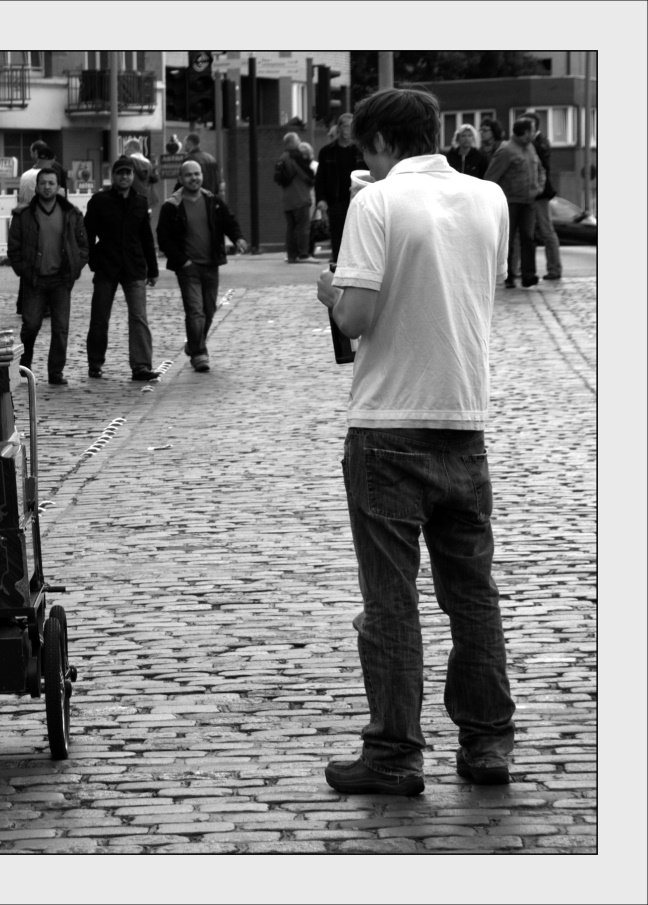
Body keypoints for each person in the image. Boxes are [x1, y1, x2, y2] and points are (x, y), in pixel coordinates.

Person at [316, 87, 515, 796]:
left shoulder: (373, 204)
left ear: (378, 145)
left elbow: (360, 314)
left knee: (392, 599)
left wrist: (330, 293)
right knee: (473, 594)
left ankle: (395, 753)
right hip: (464, 422)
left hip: (388, 425)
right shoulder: (489, 197)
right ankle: (488, 743)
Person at [156, 159, 248, 373]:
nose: (194, 178)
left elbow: (229, 222)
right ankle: (199, 354)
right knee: (195, 312)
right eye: (189, 175)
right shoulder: (172, 206)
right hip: (188, 268)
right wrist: (183, 261)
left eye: (197, 174)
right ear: (181, 179)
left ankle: (193, 344)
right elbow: (164, 238)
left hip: (211, 264)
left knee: (208, 310)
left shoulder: (212, 200)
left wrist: (239, 238)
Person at [84, 156, 162, 381]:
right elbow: (88, 233)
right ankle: (95, 362)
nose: (124, 177)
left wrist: (153, 268)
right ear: (113, 175)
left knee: (139, 317)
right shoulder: (99, 201)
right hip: (106, 266)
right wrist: (91, 260)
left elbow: (146, 237)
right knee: (100, 317)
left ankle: (141, 365)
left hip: (134, 266)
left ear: (133, 176)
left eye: (128, 173)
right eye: (120, 173)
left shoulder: (140, 201)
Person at [8, 167, 89, 384]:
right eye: (43, 183)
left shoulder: (71, 214)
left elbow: (83, 246)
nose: (46, 187)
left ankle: (56, 372)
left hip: (61, 280)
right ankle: (25, 366)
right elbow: (13, 249)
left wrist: (74, 268)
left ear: (58, 187)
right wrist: (24, 270)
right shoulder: (23, 215)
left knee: (60, 328)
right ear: (36, 186)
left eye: (51, 183)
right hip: (34, 279)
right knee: (31, 325)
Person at [485, 118, 545, 288]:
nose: (534, 134)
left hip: (528, 202)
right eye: (532, 130)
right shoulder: (506, 150)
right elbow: (491, 177)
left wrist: (539, 188)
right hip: (510, 202)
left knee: (528, 238)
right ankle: (508, 276)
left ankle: (528, 276)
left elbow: (540, 169)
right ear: (525, 132)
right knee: (508, 240)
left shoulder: (531, 147)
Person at [315, 113, 365, 264]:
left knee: (356, 234)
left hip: (357, 199)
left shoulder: (361, 151)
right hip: (335, 200)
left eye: (351, 127)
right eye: (345, 126)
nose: (348, 130)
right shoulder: (327, 152)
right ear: (339, 128)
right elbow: (320, 178)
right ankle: (337, 264)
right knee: (337, 235)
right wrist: (321, 199)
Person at [518, 111, 562, 281]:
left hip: (540, 193)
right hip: (531, 192)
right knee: (528, 232)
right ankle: (527, 268)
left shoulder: (539, 143)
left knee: (546, 231)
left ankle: (554, 268)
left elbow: (541, 168)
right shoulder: (534, 142)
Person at [274, 132, 316, 263]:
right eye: (297, 141)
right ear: (291, 142)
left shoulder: (282, 158)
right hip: (300, 196)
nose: (299, 143)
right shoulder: (296, 156)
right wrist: (313, 180)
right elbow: (307, 175)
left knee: (291, 228)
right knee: (303, 227)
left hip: (287, 199)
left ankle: (291, 255)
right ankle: (304, 254)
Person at [182, 131, 222, 196]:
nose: (184, 144)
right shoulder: (211, 158)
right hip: (211, 198)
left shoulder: (189, 159)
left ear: (189, 143)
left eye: (185, 142)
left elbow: (185, 181)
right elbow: (217, 180)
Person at [124, 137, 160, 208]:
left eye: (126, 147)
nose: (125, 150)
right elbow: (154, 179)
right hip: (147, 199)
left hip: (133, 199)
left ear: (132, 147)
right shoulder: (148, 162)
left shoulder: (129, 161)